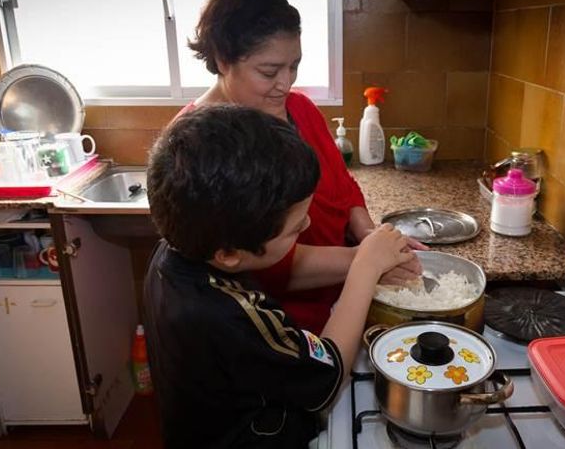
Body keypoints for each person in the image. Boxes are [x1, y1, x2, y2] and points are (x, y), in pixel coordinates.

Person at [144, 105, 414, 448]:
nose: (308, 225)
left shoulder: (173, 254)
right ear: (228, 254)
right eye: (294, 228)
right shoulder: (232, 313)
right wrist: (364, 266)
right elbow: (327, 380)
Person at [177, 0, 425, 334]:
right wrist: (366, 261)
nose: (286, 82)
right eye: (269, 71)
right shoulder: (196, 144)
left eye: (293, 65)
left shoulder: (301, 109)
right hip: (281, 328)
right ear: (222, 59)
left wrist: (369, 234)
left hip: (342, 300)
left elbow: (342, 186)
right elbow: (264, 263)